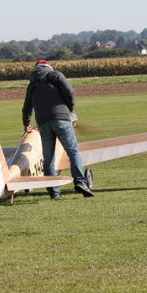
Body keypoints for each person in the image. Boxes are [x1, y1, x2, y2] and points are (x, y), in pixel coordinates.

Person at [22, 59, 94, 199]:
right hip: (61, 118)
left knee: (48, 158)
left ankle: (53, 192)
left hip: (42, 123)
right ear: (48, 66)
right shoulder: (56, 75)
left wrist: (26, 124)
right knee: (72, 151)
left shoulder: (32, 84)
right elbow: (70, 92)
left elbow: (26, 108)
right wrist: (70, 109)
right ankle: (80, 182)